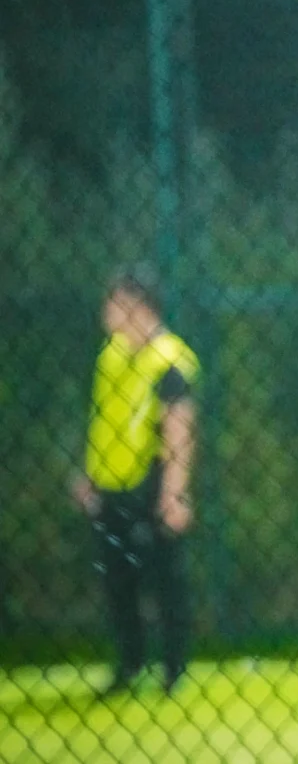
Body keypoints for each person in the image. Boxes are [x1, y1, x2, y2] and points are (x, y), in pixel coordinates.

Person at [71, 265, 200, 696]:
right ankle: (129, 664)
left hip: (153, 482)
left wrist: (175, 494)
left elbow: (180, 427)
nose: (108, 315)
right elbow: (102, 420)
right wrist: (90, 476)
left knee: (165, 579)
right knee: (117, 580)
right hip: (112, 483)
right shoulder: (110, 356)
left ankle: (174, 670)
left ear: (140, 307)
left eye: (116, 306)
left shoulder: (170, 360)